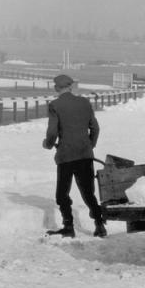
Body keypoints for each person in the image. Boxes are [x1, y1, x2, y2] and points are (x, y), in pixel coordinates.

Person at [42, 74, 106, 238]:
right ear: (70, 86)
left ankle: (68, 227)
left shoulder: (55, 105)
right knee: (88, 192)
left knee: (62, 194)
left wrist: (48, 144)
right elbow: (95, 129)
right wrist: (89, 145)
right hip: (85, 154)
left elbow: (52, 132)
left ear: (56, 88)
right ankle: (99, 225)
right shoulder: (84, 102)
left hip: (66, 155)